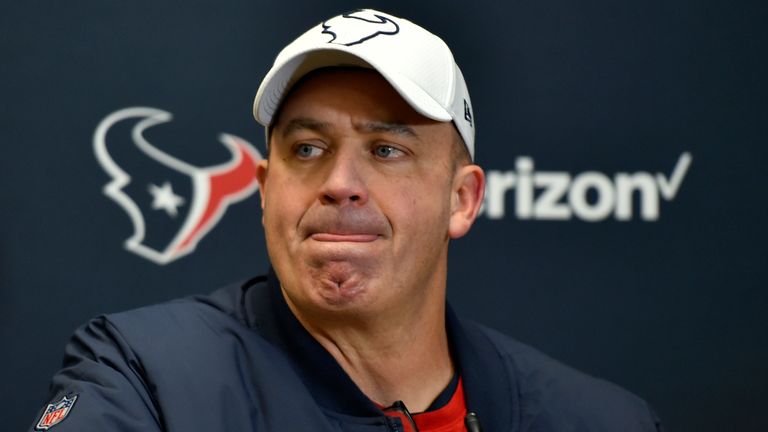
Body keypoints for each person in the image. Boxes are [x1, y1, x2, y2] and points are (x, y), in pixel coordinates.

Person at [31, 9, 662, 432]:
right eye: (307, 150)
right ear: (265, 187)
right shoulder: (146, 377)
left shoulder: (597, 418)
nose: (339, 184)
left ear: (461, 200)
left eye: (388, 151)